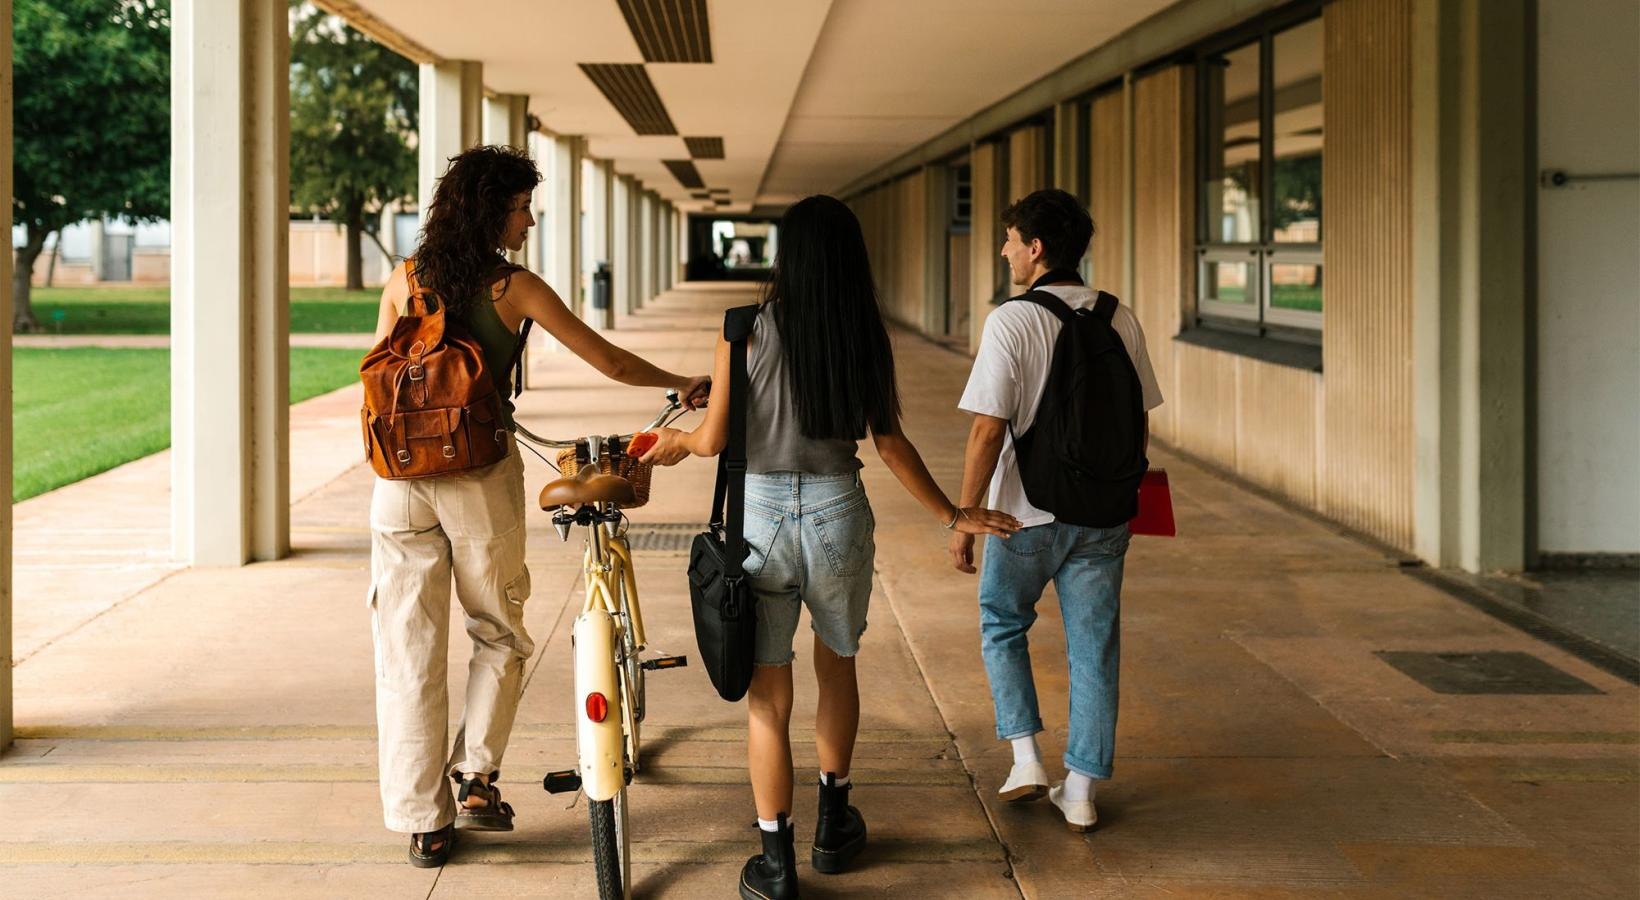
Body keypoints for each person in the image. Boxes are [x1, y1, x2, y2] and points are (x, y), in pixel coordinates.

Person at [642, 195, 1020, 900]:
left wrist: (677, 442)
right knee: (837, 662)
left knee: (768, 694)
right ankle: (835, 827)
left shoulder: (743, 328)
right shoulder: (862, 333)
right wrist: (951, 513)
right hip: (838, 512)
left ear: (788, 257)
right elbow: (889, 442)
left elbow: (715, 439)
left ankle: (777, 864)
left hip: (758, 521)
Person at [366, 145, 709, 868]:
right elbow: (608, 360)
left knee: (407, 648)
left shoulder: (404, 278)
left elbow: (379, 372)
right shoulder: (511, 287)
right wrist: (684, 381)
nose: (530, 219)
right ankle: (477, 776)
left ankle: (424, 823)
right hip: (477, 475)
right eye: (523, 207)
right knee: (498, 627)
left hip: (397, 482)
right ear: (493, 210)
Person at [948, 188, 1164, 832]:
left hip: (1023, 515)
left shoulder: (1011, 320)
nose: (1005, 250)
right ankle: (1083, 789)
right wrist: (1125, 499)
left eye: (1011, 239)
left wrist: (965, 515)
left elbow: (988, 430)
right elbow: (1139, 425)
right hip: (1104, 514)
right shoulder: (1120, 317)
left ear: (1036, 249)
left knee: (1003, 623)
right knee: (1094, 647)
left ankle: (1025, 759)